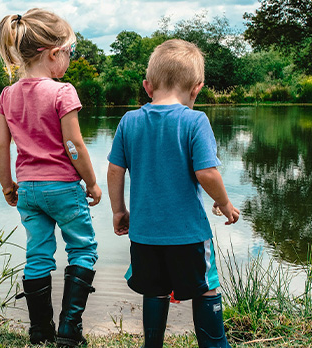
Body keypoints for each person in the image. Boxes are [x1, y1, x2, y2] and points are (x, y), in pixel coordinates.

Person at [107, 39, 240, 348]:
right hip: (188, 235)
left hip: (143, 235)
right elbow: (206, 173)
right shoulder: (195, 121)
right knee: (206, 287)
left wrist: (118, 210)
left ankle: (152, 344)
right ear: (197, 88)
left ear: (148, 86)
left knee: (154, 288)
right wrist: (224, 203)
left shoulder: (129, 121)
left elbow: (115, 170)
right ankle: (214, 344)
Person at [0, 8, 101, 347]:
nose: (69, 60)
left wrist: (7, 185)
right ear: (53, 54)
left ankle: (40, 330)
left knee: (38, 254)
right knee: (82, 249)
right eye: (69, 52)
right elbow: (73, 144)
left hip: (28, 190)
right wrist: (93, 182)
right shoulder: (62, 91)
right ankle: (69, 330)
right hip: (63, 188)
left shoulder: (7, 95)